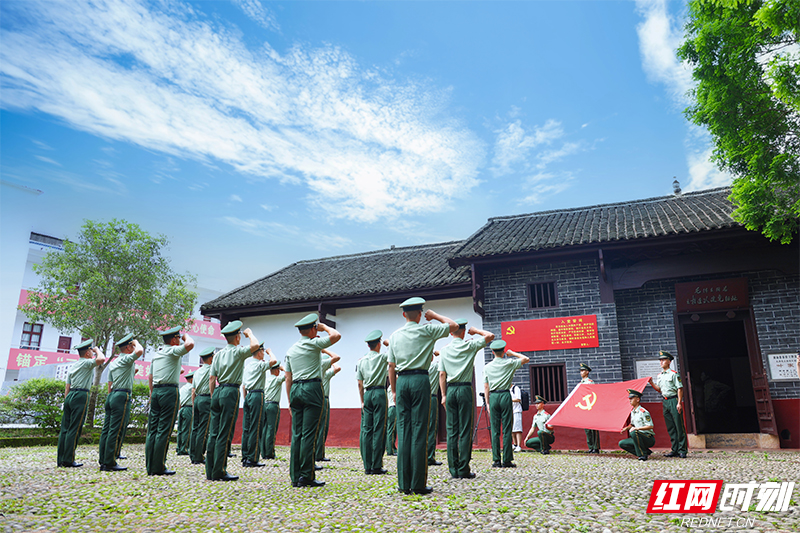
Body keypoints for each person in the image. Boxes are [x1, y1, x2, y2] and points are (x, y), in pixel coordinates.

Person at [387, 297, 457, 495]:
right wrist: (434, 315)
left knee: (403, 430)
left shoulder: (394, 336)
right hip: (420, 380)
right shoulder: (427, 330)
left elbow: (391, 366)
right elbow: (453, 325)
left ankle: (403, 483)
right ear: (420, 314)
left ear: (403, 314)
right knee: (419, 431)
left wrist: (393, 389)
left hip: (401, 382)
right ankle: (417, 483)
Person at [285, 313, 341, 488]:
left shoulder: (291, 350)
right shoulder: (314, 344)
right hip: (312, 389)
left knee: (297, 434)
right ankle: (306, 475)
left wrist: (289, 401)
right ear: (312, 329)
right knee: (309, 434)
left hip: (295, 390)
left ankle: (295, 475)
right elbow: (336, 336)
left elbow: (288, 378)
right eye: (315, 328)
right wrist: (324, 328)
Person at [438, 319, 494, 479]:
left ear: (451, 333)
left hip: (450, 389)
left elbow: (441, 374)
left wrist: (443, 395)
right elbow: (490, 335)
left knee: (451, 430)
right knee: (465, 430)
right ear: (463, 332)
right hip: (464, 389)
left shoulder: (444, 350)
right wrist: (476, 331)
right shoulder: (469, 346)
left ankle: (453, 469)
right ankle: (463, 468)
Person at [205, 321, 260, 481]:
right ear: (237, 337)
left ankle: (210, 471)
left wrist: (213, 395)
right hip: (230, 391)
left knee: (213, 433)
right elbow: (255, 345)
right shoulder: (238, 352)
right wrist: (249, 334)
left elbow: (211, 378)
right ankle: (219, 471)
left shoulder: (218, 354)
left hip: (218, 390)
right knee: (224, 433)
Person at [145, 327, 194, 476]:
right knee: (164, 430)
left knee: (152, 430)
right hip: (168, 392)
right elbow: (190, 344)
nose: (179, 340)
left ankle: (150, 466)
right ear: (174, 340)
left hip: (156, 392)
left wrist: (152, 394)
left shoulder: (157, 354)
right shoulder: (172, 351)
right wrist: (186, 336)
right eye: (178, 338)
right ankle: (158, 466)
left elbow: (150, 377)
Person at [57, 339, 105, 467]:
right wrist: (97, 350)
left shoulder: (74, 365)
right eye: (91, 350)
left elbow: (67, 386)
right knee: (75, 428)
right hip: (81, 395)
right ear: (88, 353)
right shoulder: (86, 363)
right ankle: (68, 460)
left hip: (70, 395)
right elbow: (102, 359)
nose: (93, 353)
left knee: (65, 429)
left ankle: (61, 459)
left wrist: (66, 401)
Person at [98, 334, 142, 471]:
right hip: (122, 395)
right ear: (128, 347)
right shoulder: (126, 359)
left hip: (112, 395)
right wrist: (136, 342)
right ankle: (110, 462)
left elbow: (109, 384)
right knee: (115, 430)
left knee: (106, 430)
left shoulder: (114, 363)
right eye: (131, 346)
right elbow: (140, 351)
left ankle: (103, 460)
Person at [483, 340, 530, 468]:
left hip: (493, 396)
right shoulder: (509, 363)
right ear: (503, 351)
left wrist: (487, 402)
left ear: (492, 352)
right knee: (507, 428)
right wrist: (512, 353)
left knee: (495, 429)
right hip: (505, 394)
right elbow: (526, 358)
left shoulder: (487, 367)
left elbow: (486, 386)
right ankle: (507, 459)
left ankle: (496, 460)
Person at [356, 330, 389, 475]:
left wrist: (362, 401)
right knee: (379, 429)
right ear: (379, 344)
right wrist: (388, 343)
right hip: (379, 392)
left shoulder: (361, 361)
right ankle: (376, 465)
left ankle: (367, 465)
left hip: (367, 393)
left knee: (366, 430)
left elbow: (359, 384)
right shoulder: (382, 357)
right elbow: (395, 353)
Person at [241, 344, 277, 467]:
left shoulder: (248, 366)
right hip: (257, 395)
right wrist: (270, 352)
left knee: (246, 427)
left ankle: (245, 456)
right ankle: (253, 458)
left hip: (248, 396)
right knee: (256, 428)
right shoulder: (259, 364)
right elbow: (274, 361)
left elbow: (244, 386)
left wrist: (246, 399)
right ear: (260, 352)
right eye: (263, 350)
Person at [648, 350, 687, 458]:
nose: (661, 362)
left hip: (674, 400)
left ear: (669, 361)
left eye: (663, 360)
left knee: (679, 425)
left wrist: (679, 403)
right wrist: (651, 383)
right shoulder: (660, 376)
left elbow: (680, 388)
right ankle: (674, 449)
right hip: (665, 401)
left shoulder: (674, 374)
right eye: (660, 360)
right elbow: (659, 390)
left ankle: (682, 450)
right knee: (670, 427)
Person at [190, 347, 215, 465]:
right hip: (206, 398)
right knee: (203, 429)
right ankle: (199, 456)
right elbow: (212, 379)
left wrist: (193, 403)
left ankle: (193, 454)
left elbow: (193, 390)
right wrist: (212, 397)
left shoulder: (197, 371)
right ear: (211, 358)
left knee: (195, 427)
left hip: (197, 399)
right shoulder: (211, 369)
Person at [316, 349, 341, 464]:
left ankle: (317, 452)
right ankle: (319, 454)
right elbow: (337, 368)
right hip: (324, 399)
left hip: (315, 398)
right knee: (322, 427)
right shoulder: (326, 374)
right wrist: (327, 353)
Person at [619, 389, 655, 460]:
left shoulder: (643, 412)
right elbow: (632, 424)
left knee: (634, 432)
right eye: (629, 398)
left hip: (647, 437)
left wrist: (637, 429)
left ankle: (642, 455)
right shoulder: (633, 412)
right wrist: (626, 428)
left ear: (638, 399)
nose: (630, 400)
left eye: (632, 398)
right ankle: (645, 452)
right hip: (638, 437)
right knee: (622, 443)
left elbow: (650, 426)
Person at [260, 359, 285, 460]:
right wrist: (283, 368)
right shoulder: (277, 380)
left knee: (264, 428)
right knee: (271, 428)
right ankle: (269, 452)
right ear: (277, 370)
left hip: (265, 404)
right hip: (273, 405)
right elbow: (288, 374)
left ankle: (263, 451)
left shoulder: (266, 380)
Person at [579, 363, 600, 453]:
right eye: (580, 371)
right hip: (584, 407)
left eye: (583, 370)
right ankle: (590, 447)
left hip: (590, 407)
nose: (581, 372)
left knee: (593, 428)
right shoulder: (580, 383)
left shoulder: (590, 382)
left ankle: (595, 447)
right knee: (587, 429)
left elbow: (593, 394)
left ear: (587, 372)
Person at [427, 350, 442, 466]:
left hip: (418, 399)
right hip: (431, 398)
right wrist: (439, 353)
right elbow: (446, 358)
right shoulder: (434, 366)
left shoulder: (420, 367)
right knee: (431, 427)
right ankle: (429, 456)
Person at [176, 371, 194, 456]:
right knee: (187, 429)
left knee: (180, 430)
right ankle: (185, 449)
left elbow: (179, 401)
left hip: (182, 408)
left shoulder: (182, 388)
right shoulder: (192, 388)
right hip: (189, 408)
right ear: (192, 379)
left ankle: (179, 448)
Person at [385, 383, 397, 456]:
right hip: (393, 407)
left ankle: (390, 447)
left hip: (390, 407)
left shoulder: (390, 387)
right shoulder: (394, 386)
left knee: (390, 429)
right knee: (392, 430)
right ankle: (391, 450)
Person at [511, 384, 523, 452]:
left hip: (517, 410)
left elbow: (518, 399)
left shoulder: (515, 388)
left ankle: (519, 445)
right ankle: (515, 444)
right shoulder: (508, 390)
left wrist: (509, 399)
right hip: (510, 411)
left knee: (517, 428)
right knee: (512, 428)